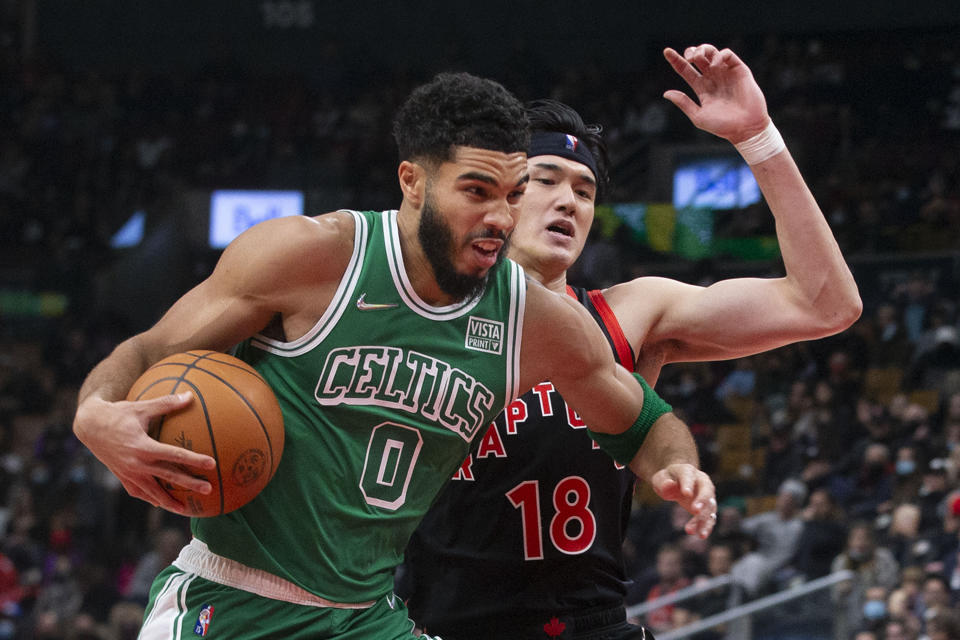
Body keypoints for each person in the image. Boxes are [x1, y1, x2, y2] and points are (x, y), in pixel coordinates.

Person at [71, 72, 708, 640]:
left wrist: (676, 468)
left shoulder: (532, 319)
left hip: (368, 617)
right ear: (412, 181)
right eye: (477, 191)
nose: (500, 216)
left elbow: (645, 421)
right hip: (235, 602)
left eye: (513, 194)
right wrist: (96, 412)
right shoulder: (311, 258)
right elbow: (149, 350)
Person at [401, 44, 861, 639]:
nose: (569, 200)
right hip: (438, 625)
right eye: (547, 179)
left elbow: (827, 304)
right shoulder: (420, 314)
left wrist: (759, 138)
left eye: (586, 190)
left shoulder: (631, 313)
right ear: (505, 194)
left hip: (589, 624)